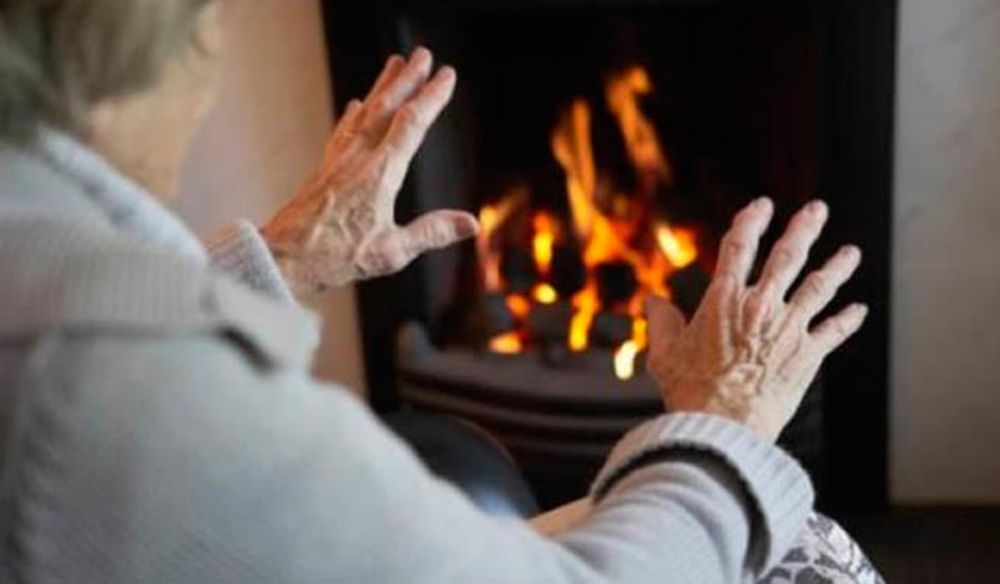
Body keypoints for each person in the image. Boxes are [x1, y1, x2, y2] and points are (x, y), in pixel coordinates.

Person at [0, 1, 881, 582]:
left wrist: (277, 259)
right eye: (198, 21)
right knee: (803, 549)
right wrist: (723, 423)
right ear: (102, 77)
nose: (213, 54)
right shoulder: (109, 388)